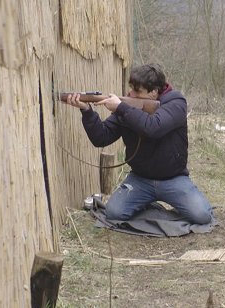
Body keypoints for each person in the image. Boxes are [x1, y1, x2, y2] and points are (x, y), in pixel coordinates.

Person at [64, 63, 214, 225]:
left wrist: (121, 108)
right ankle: (147, 205)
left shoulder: (176, 103)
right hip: (140, 179)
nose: (131, 94)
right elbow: (101, 138)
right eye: (132, 89)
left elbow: (153, 127)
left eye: (138, 91)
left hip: (174, 179)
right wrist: (87, 111)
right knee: (114, 213)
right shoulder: (127, 106)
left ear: (154, 92)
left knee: (202, 216)